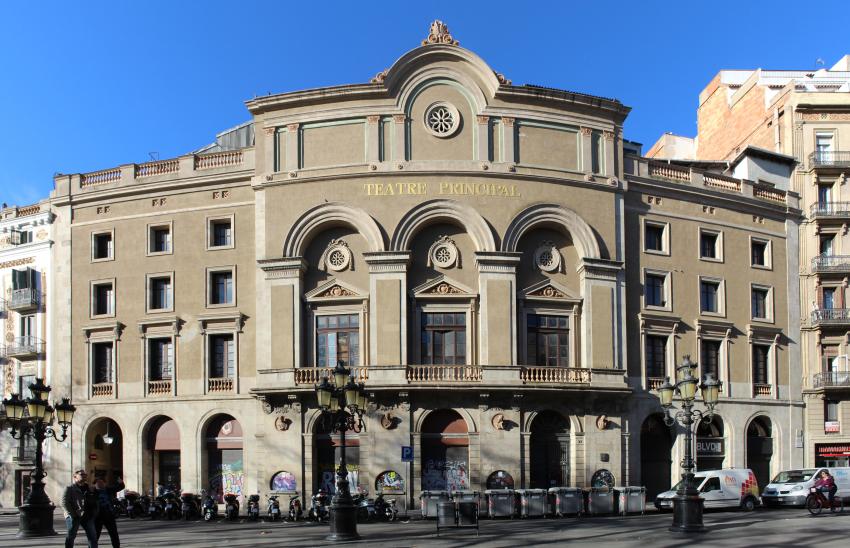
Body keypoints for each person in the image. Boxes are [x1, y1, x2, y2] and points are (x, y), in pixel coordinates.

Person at [61, 469, 98, 548]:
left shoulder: (90, 488)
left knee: (93, 537)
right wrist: (73, 514)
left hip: (88, 516)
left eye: (85, 475)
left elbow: (95, 500)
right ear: (75, 477)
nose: (84, 476)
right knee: (71, 536)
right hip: (74, 516)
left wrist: (94, 512)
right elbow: (64, 503)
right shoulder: (69, 488)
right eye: (82, 475)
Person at [94, 478, 120, 548]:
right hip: (97, 517)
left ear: (105, 484)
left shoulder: (108, 490)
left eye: (102, 483)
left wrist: (121, 482)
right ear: (95, 484)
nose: (100, 484)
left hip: (109, 515)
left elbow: (119, 487)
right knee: (95, 535)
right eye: (98, 483)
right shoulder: (92, 492)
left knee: (114, 534)